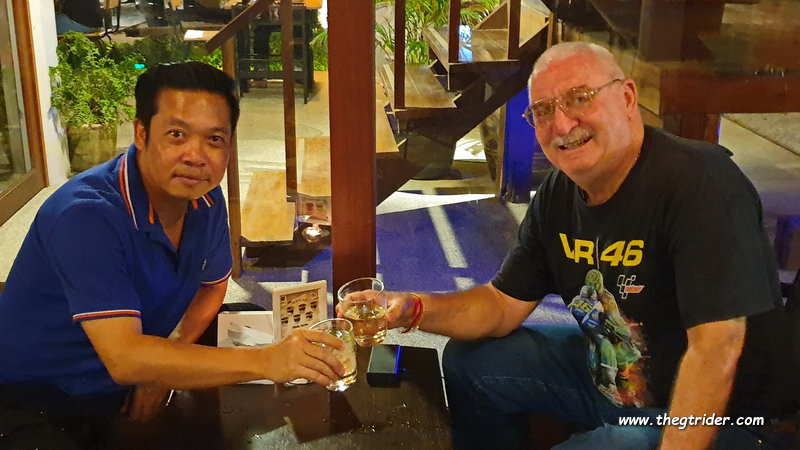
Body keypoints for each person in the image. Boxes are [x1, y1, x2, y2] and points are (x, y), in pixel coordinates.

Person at [382, 42, 800, 449]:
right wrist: (410, 308)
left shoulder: (699, 183)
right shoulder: (558, 193)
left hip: (732, 417)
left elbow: (716, 349)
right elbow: (502, 304)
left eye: (580, 98)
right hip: (618, 382)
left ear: (627, 97)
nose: (562, 125)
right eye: (543, 110)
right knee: (471, 361)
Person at [0, 62, 345, 447]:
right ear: (141, 133)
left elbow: (212, 286)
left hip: (129, 365)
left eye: (215, 139)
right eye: (177, 135)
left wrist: (162, 369)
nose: (196, 156)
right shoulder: (85, 215)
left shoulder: (205, 198)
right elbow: (125, 358)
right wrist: (266, 361)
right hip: (39, 395)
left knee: (256, 358)